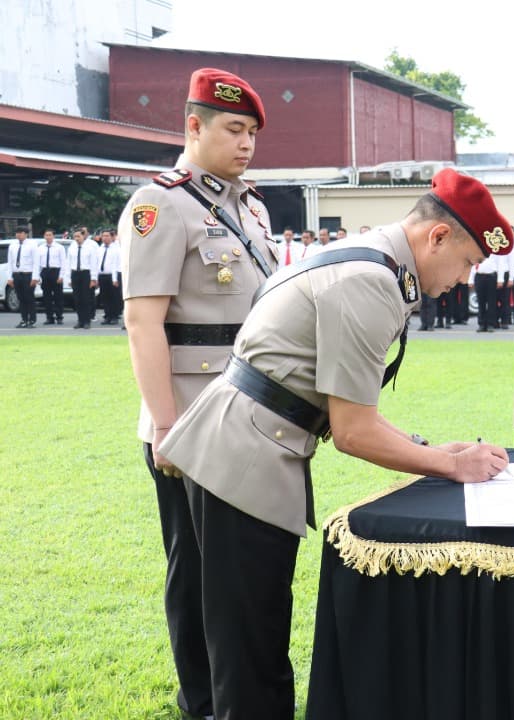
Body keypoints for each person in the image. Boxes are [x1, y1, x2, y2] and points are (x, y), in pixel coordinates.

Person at [158, 167, 513, 718]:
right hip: (245, 455)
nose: (467, 279)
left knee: (239, 635)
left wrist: (437, 452)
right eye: (468, 261)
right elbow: (352, 431)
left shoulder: (371, 259)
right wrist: (449, 466)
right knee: (252, 650)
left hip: (242, 443)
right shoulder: (371, 281)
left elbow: (351, 412)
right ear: (438, 236)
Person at [118, 67, 275, 720]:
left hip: (250, 412)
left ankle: (234, 701)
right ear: (193, 126)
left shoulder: (251, 207)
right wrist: (163, 424)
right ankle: (207, 704)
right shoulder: (162, 205)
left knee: (241, 580)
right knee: (201, 580)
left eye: (252, 134)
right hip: (192, 418)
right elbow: (142, 319)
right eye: (233, 129)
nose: (246, 144)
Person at [67, 228, 99, 328]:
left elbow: (94, 264)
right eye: (75, 236)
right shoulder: (72, 248)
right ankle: (80, 320)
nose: (77, 238)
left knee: (86, 298)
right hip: (75, 273)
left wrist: (93, 279)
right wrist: (69, 279)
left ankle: (87, 321)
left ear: (83, 236)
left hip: (86, 273)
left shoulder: (89, 248)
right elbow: (68, 263)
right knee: (77, 299)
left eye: (79, 236)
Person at [35, 229, 67, 324]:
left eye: (50, 235)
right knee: (46, 296)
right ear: (44, 236)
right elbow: (37, 264)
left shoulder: (59, 247)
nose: (48, 237)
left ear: (53, 236)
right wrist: (38, 276)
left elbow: (63, 262)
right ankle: (49, 317)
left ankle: (59, 316)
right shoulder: (40, 248)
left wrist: (61, 276)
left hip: (55, 271)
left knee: (58, 296)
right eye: (46, 235)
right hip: (45, 272)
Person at [7, 226, 37, 328]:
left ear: (26, 234)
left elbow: (36, 262)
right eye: (17, 232)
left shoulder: (32, 245)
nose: (18, 234)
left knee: (29, 298)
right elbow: (10, 262)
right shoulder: (13, 246)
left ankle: (32, 319)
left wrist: (35, 277)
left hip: (28, 275)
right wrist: (9, 277)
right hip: (17, 275)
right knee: (21, 298)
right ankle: (24, 319)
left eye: (21, 232)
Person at [97, 229, 123, 325]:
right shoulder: (99, 249)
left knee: (114, 297)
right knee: (105, 297)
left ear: (112, 237)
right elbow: (97, 264)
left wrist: (115, 279)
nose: (105, 238)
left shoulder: (116, 249)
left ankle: (114, 316)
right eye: (103, 236)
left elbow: (116, 265)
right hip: (102, 275)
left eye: (107, 236)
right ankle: (107, 316)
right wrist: (96, 278)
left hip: (113, 276)